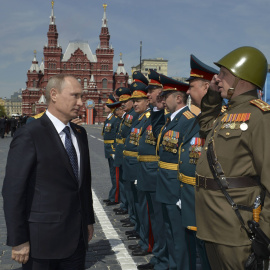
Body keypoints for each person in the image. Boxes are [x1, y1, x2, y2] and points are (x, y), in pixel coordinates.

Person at [2, 74, 95, 270]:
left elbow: (83, 184)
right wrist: (18, 240)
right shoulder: (30, 134)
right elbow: (13, 191)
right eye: (75, 96)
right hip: (42, 243)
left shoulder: (80, 134)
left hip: (77, 240)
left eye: (82, 96)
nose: (81, 102)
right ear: (54, 94)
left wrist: (87, 221)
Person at [195, 46, 270, 269]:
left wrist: (264, 234)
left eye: (224, 74)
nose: (218, 79)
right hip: (212, 224)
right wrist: (212, 93)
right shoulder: (226, 114)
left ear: (242, 78)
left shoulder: (260, 117)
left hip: (238, 229)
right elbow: (205, 124)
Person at [152, 74, 195, 270]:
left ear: (178, 98)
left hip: (176, 186)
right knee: (169, 232)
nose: (162, 100)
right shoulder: (171, 119)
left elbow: (189, 158)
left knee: (180, 237)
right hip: (165, 184)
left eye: (165, 96)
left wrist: (182, 192)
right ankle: (171, 266)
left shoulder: (189, 121)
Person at [178, 54, 217, 270]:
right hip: (191, 194)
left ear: (205, 87)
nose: (187, 92)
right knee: (200, 249)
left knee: (209, 254)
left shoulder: (219, 119)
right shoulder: (198, 120)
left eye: (191, 86)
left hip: (208, 200)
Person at [136, 69, 169, 270]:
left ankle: (163, 258)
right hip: (149, 172)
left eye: (152, 90)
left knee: (161, 221)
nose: (148, 94)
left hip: (159, 173)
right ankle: (159, 255)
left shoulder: (166, 115)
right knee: (156, 219)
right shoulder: (155, 114)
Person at [102, 94, 121, 206]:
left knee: (116, 175)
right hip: (109, 150)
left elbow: (116, 136)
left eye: (107, 105)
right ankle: (112, 195)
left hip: (113, 150)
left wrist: (114, 150)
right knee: (112, 175)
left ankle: (115, 197)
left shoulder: (115, 119)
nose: (105, 107)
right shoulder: (109, 118)